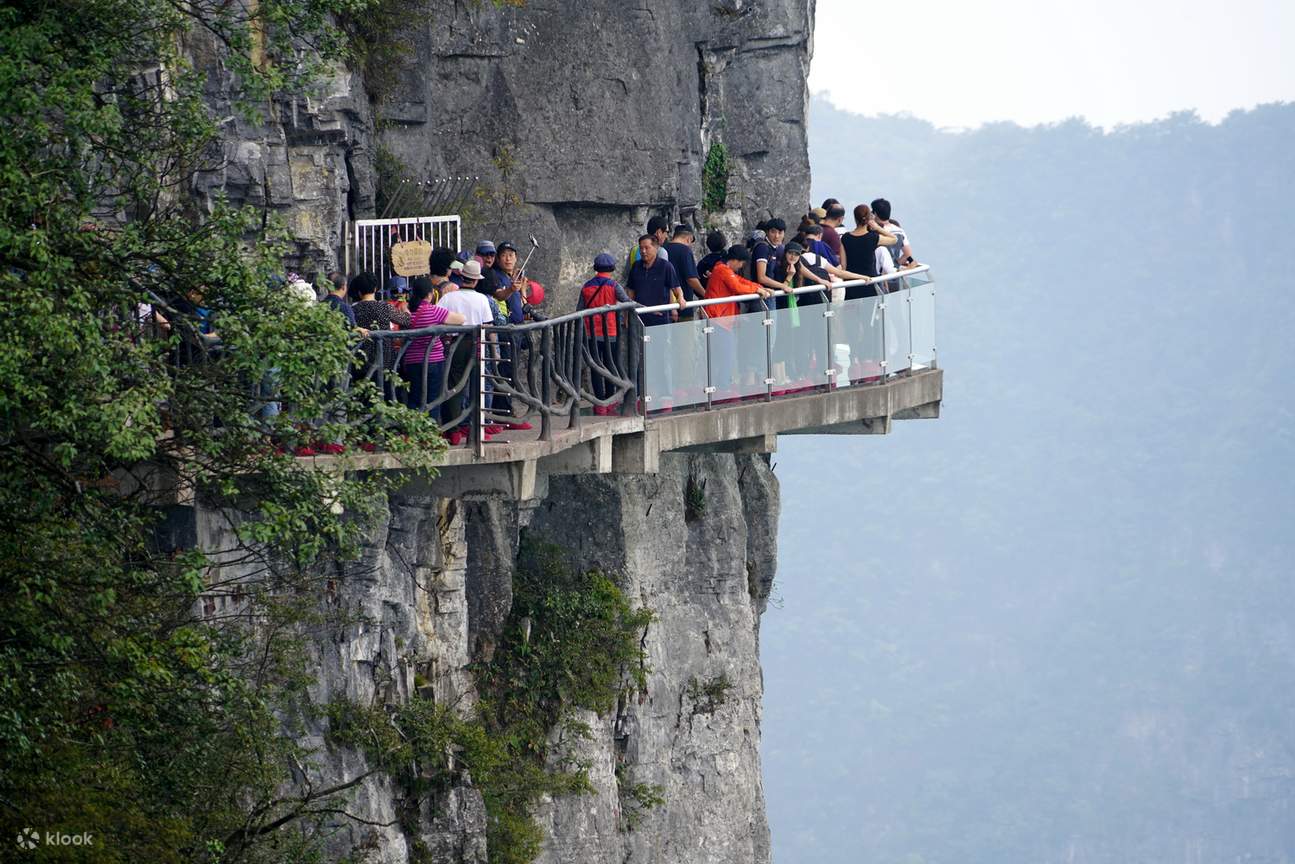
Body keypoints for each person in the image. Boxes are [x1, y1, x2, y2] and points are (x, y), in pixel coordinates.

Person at [437, 259, 501, 445]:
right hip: (477, 341)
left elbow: (439, 319)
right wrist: (495, 353)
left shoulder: (449, 297)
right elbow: (489, 328)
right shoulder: (482, 299)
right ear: (476, 280)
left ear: (462, 277)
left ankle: (454, 430)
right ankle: (477, 426)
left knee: (455, 386)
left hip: (455, 343)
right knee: (477, 384)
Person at [703, 245, 772, 399]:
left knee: (724, 354)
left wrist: (759, 287)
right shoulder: (722, 270)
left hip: (721, 319)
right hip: (718, 319)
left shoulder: (724, 270)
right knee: (725, 354)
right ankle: (722, 388)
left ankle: (721, 386)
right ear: (734, 260)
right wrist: (757, 290)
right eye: (741, 263)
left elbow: (741, 281)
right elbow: (737, 287)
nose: (741, 266)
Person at [626, 233, 685, 409]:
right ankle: (640, 395)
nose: (644, 252)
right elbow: (631, 292)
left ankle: (665, 395)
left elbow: (676, 288)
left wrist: (679, 300)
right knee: (638, 357)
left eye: (647, 248)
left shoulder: (665, 267)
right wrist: (628, 314)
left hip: (659, 319)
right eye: (641, 248)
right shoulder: (636, 267)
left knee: (661, 357)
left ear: (656, 247)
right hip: (640, 319)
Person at [400, 269, 465, 425]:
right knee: (433, 397)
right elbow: (461, 319)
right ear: (430, 294)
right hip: (433, 361)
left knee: (414, 397)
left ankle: (413, 431)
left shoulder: (408, 314)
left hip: (412, 362)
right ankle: (430, 432)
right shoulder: (433, 311)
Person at [577, 253, 633, 415]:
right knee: (611, 366)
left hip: (590, 333)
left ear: (596, 268)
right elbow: (627, 302)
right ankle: (610, 401)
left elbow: (579, 310)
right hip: (610, 332)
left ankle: (599, 404)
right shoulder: (613, 285)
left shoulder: (586, 287)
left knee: (595, 367)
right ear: (612, 269)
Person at [351, 271, 412, 398]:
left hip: (362, 362)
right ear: (375, 289)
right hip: (386, 361)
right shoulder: (384, 307)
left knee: (364, 400)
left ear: (359, 292)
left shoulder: (353, 310)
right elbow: (407, 320)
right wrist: (405, 307)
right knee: (387, 397)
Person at [840, 204, 898, 297]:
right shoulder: (872, 238)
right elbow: (894, 239)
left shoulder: (845, 238)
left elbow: (843, 265)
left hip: (851, 284)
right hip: (869, 282)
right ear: (868, 219)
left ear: (855, 218)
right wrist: (877, 228)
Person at [663, 224, 706, 313]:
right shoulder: (685, 250)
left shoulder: (663, 249)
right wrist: (705, 294)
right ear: (688, 238)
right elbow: (691, 279)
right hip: (683, 304)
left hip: (665, 304)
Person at [870, 198, 918, 269]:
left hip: (879, 276)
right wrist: (896, 263)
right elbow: (908, 254)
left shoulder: (876, 232)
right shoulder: (899, 231)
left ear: (875, 214)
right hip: (894, 275)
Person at [623, 215, 670, 282]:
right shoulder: (661, 252)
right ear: (659, 232)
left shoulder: (634, 250)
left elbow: (627, 274)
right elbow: (663, 278)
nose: (667, 236)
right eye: (666, 232)